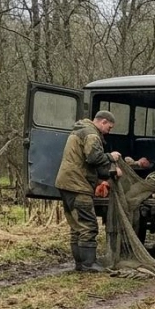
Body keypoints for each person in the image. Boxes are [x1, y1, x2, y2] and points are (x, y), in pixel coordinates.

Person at [55, 111, 123, 272]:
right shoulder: (92, 134)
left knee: (76, 226)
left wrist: (102, 178)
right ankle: (89, 264)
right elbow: (94, 158)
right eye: (109, 127)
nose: (109, 131)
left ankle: (80, 264)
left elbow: (84, 162)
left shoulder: (80, 129)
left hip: (66, 183)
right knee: (88, 224)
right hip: (77, 185)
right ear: (103, 122)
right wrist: (111, 157)